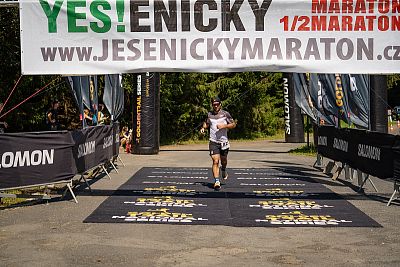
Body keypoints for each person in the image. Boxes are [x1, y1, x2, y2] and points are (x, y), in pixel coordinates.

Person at [200, 97, 236, 190]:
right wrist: (203, 128)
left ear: (220, 104)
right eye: (214, 104)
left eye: (217, 104)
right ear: (212, 105)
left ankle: (223, 169)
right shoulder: (209, 114)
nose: (215, 106)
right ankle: (216, 181)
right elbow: (207, 123)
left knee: (223, 161)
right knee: (215, 161)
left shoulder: (225, 114)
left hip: (223, 142)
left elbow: (233, 124)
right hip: (213, 141)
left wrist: (224, 126)